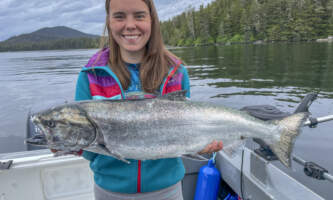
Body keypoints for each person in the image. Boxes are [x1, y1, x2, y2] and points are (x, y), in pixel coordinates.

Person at [74, 0, 223, 199]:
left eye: (139, 15)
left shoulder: (176, 73)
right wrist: (71, 143)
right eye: (119, 16)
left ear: (152, 20)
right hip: (110, 192)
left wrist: (198, 145)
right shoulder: (90, 76)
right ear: (109, 22)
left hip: (167, 191)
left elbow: (185, 132)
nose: (130, 25)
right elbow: (89, 150)